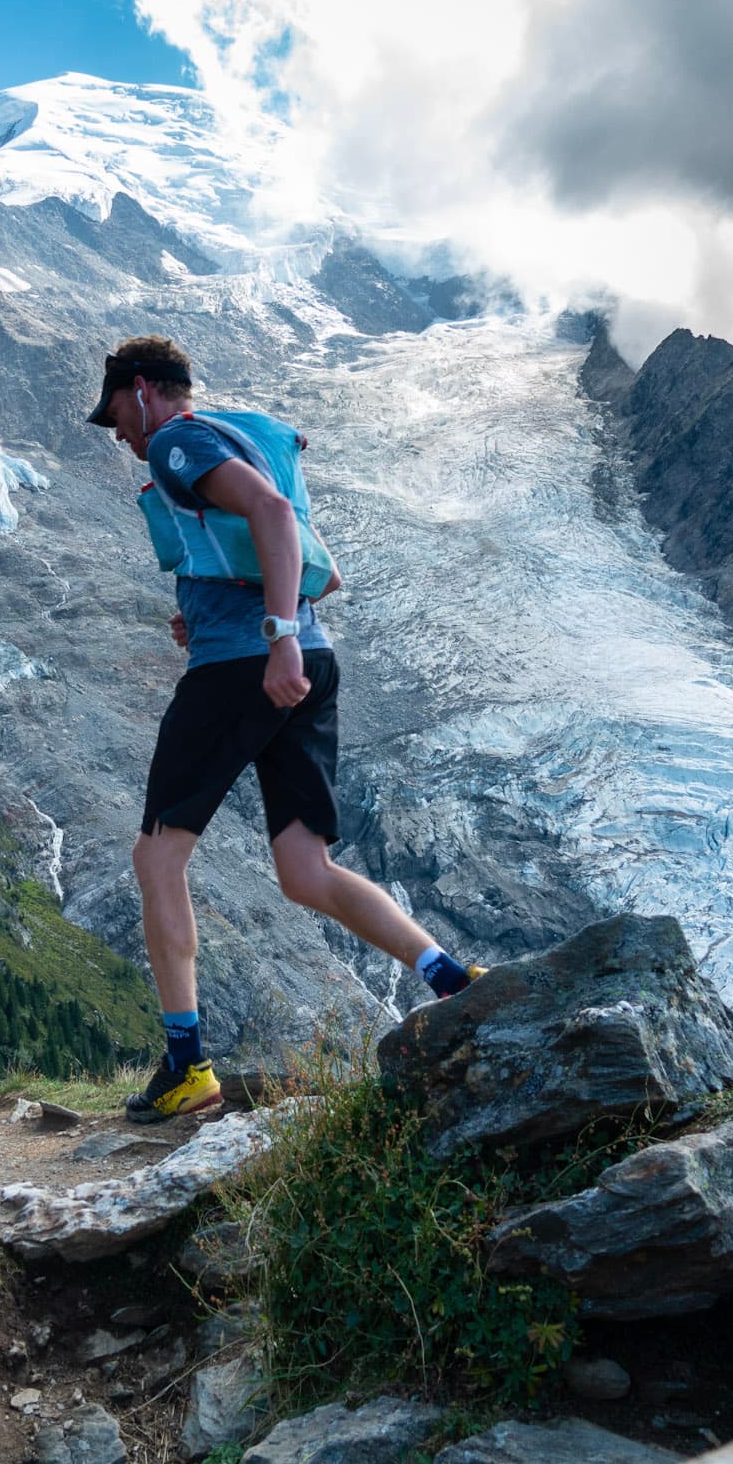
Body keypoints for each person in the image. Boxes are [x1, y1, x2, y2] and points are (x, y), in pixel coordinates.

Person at [89, 335, 483, 1123]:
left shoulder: (176, 441)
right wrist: (230, 616)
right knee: (306, 870)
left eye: (117, 418)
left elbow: (269, 512)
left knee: (157, 855)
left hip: (248, 667)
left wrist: (268, 634)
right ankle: (451, 980)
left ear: (142, 390)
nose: (121, 437)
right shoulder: (249, 441)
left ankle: (186, 1065)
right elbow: (324, 571)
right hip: (311, 660)